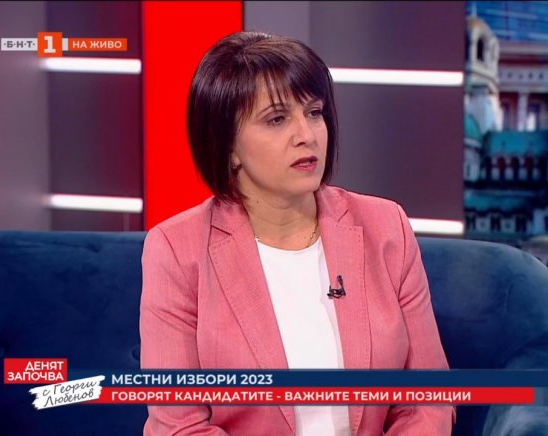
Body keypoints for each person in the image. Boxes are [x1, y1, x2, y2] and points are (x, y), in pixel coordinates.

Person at [140, 31, 453, 435]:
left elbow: (427, 398)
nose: (307, 134)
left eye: (314, 112)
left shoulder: (385, 227)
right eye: (277, 119)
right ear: (228, 145)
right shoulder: (176, 251)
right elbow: (179, 425)